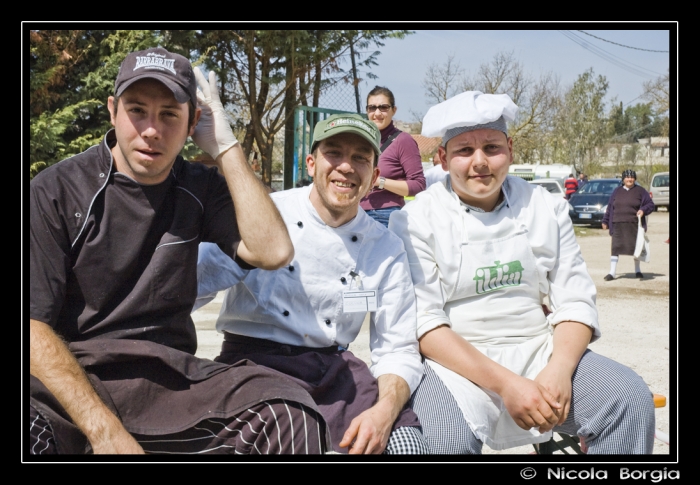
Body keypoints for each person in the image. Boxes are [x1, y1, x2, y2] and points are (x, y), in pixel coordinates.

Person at [29, 47, 329, 455]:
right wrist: (104, 431)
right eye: (137, 110)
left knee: (289, 413)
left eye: (170, 114)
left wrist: (225, 146)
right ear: (113, 110)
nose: (151, 130)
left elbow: (273, 250)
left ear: (192, 123)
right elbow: (33, 327)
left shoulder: (199, 186)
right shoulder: (56, 190)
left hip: (168, 378)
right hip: (77, 376)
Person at [389, 91, 655, 454]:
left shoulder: (545, 206)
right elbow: (426, 324)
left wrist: (560, 368)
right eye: (464, 150)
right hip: (455, 366)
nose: (480, 162)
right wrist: (507, 385)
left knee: (628, 400)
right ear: (442, 158)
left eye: (492, 147)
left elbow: (574, 299)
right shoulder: (415, 220)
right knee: (443, 442)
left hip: (539, 351)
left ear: (511, 150)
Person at [196, 113, 427, 455]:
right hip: (254, 367)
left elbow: (398, 347)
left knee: (409, 448)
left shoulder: (385, 247)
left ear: (375, 175)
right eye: (334, 153)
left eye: (360, 158)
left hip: (336, 373)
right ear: (310, 163)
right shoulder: (264, 213)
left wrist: (384, 411)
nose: (346, 167)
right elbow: (194, 285)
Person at [360, 86, 425, 227]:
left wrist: (379, 182)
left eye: (383, 107)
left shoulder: (403, 140)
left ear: (393, 110)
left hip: (385, 214)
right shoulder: (361, 141)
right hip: (355, 213)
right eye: (372, 108)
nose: (377, 113)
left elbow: (419, 185)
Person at [601, 170, 655, 281]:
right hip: (617, 224)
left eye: (631, 177)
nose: (629, 179)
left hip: (634, 224)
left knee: (636, 248)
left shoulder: (640, 191)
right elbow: (610, 207)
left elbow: (650, 204)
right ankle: (612, 273)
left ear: (635, 179)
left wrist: (643, 210)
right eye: (627, 177)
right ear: (623, 179)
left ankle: (637, 270)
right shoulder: (617, 191)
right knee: (615, 248)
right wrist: (605, 221)